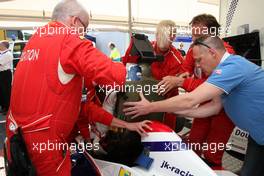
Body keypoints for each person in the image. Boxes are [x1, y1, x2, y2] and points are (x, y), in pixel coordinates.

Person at [5, 1, 150, 175]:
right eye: (85, 27)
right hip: (46, 142)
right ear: (74, 21)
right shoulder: (68, 40)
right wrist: (129, 68)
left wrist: (125, 125)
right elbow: (113, 74)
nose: (84, 33)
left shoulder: (35, 39)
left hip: (16, 136)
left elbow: (83, 108)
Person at [123, 36, 264, 176]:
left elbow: (190, 99)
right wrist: (183, 113)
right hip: (257, 135)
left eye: (199, 59)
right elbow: (214, 107)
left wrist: (150, 107)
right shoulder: (224, 71)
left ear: (212, 53)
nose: (197, 65)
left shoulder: (232, 67)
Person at [156, 14, 235, 168]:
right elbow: (185, 69)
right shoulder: (196, 48)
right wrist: (182, 75)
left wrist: (182, 81)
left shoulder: (227, 54)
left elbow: (212, 86)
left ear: (213, 35)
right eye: (192, 35)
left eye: (198, 35)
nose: (193, 39)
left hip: (226, 108)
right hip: (205, 103)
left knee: (213, 152)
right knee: (194, 144)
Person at [150, 20, 184, 130]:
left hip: (167, 105)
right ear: (156, 34)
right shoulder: (144, 48)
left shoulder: (178, 59)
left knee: (163, 138)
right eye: (163, 35)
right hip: (142, 100)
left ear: (174, 37)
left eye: (169, 37)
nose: (165, 40)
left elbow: (165, 89)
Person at [0, 40, 13, 115]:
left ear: (4, 46)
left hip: (5, 73)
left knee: (6, 91)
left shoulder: (8, 54)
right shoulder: (2, 53)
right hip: (1, 73)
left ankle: (7, 108)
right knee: (1, 91)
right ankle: (3, 106)